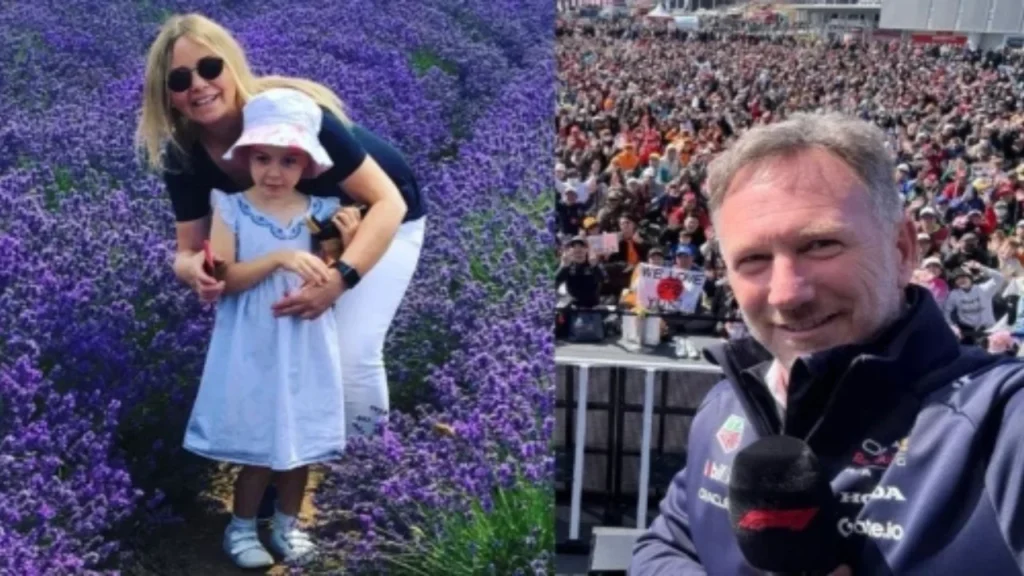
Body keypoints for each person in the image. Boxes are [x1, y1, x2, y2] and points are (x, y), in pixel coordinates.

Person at [630, 113, 1024, 575]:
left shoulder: (1004, 423)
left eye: (820, 245)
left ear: (902, 249)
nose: (787, 293)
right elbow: (666, 546)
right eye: (753, 259)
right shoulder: (727, 406)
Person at [136, 13, 427, 514]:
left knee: (352, 353)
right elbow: (190, 247)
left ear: (232, 64)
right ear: (166, 96)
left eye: (209, 67)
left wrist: (340, 280)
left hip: (385, 220)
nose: (199, 86)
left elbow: (387, 204)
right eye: (180, 80)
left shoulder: (294, 113)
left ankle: (373, 483)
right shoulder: (183, 154)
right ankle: (283, 462)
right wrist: (192, 271)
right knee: (283, 355)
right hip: (297, 235)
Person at [183, 88, 347, 568]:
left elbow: (334, 266)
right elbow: (225, 278)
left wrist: (346, 242)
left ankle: (288, 526)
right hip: (253, 341)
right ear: (246, 158)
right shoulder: (231, 207)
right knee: (258, 445)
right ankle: (240, 528)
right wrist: (278, 257)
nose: (274, 172)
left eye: (288, 161)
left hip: (303, 337)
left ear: (307, 165)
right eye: (262, 158)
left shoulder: (320, 211)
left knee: (300, 445)